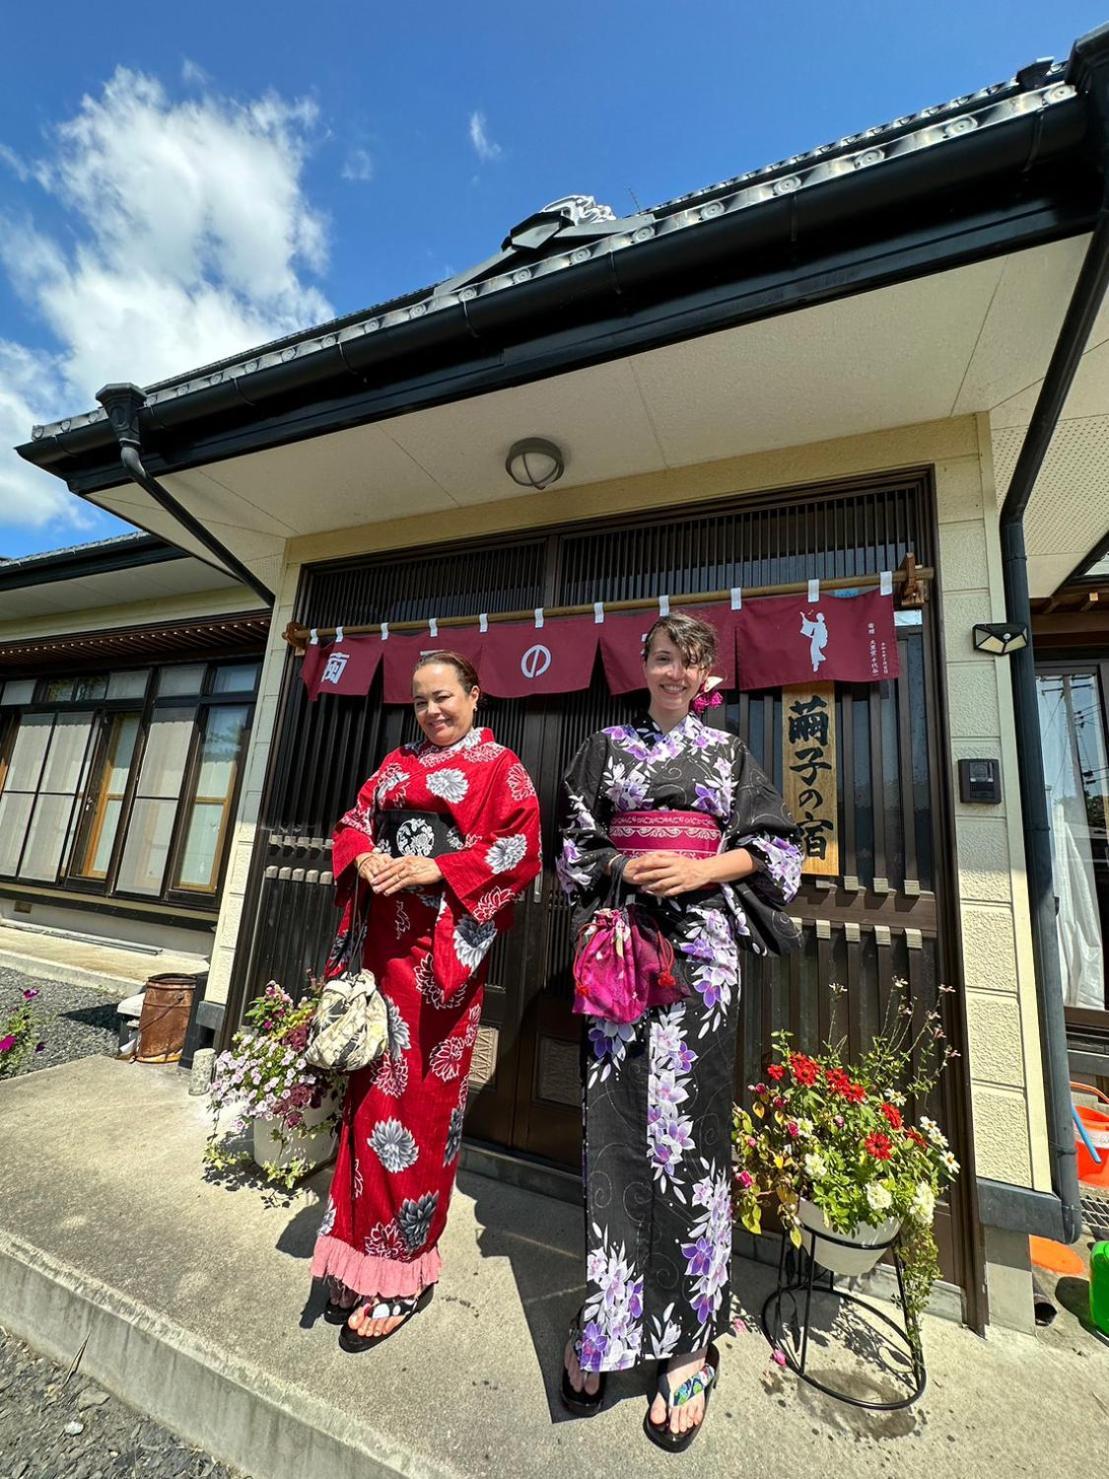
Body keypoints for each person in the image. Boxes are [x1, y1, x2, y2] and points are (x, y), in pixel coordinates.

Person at [556, 611, 803, 1450]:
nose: (672, 671)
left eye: (688, 662)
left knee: (690, 1137)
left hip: (701, 955)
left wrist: (698, 866)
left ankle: (686, 1342)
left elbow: (776, 854)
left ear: (706, 677)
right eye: (662, 657)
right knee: (617, 1131)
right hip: (624, 947)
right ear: (644, 663)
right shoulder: (602, 747)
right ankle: (609, 1320)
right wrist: (627, 862)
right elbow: (572, 848)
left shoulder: (731, 753)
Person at [312, 651, 541, 1351]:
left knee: (417, 1108)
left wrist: (436, 864)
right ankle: (355, 1252)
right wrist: (365, 858)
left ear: (474, 696)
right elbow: (353, 819)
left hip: (440, 964)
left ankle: (404, 1270)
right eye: (420, 701)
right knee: (368, 1099)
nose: (432, 711)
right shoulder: (393, 765)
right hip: (385, 953)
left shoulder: (501, 769)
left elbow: (521, 851)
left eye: (444, 697)